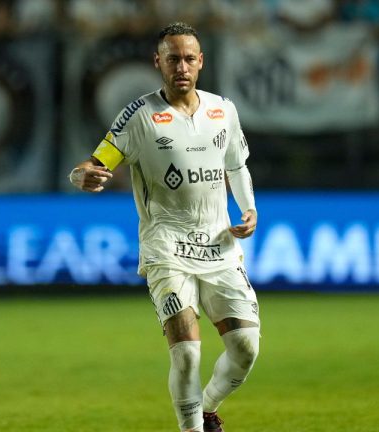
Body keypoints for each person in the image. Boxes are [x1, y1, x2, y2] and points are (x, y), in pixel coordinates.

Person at [69, 22, 260, 432]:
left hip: (220, 246)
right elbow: (97, 162)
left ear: (201, 61)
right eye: (173, 59)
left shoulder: (223, 110)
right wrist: (80, 175)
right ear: (158, 62)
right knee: (187, 353)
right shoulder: (139, 116)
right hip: (167, 248)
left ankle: (207, 407)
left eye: (189, 58)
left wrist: (249, 210)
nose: (181, 67)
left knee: (245, 348)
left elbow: (236, 165)